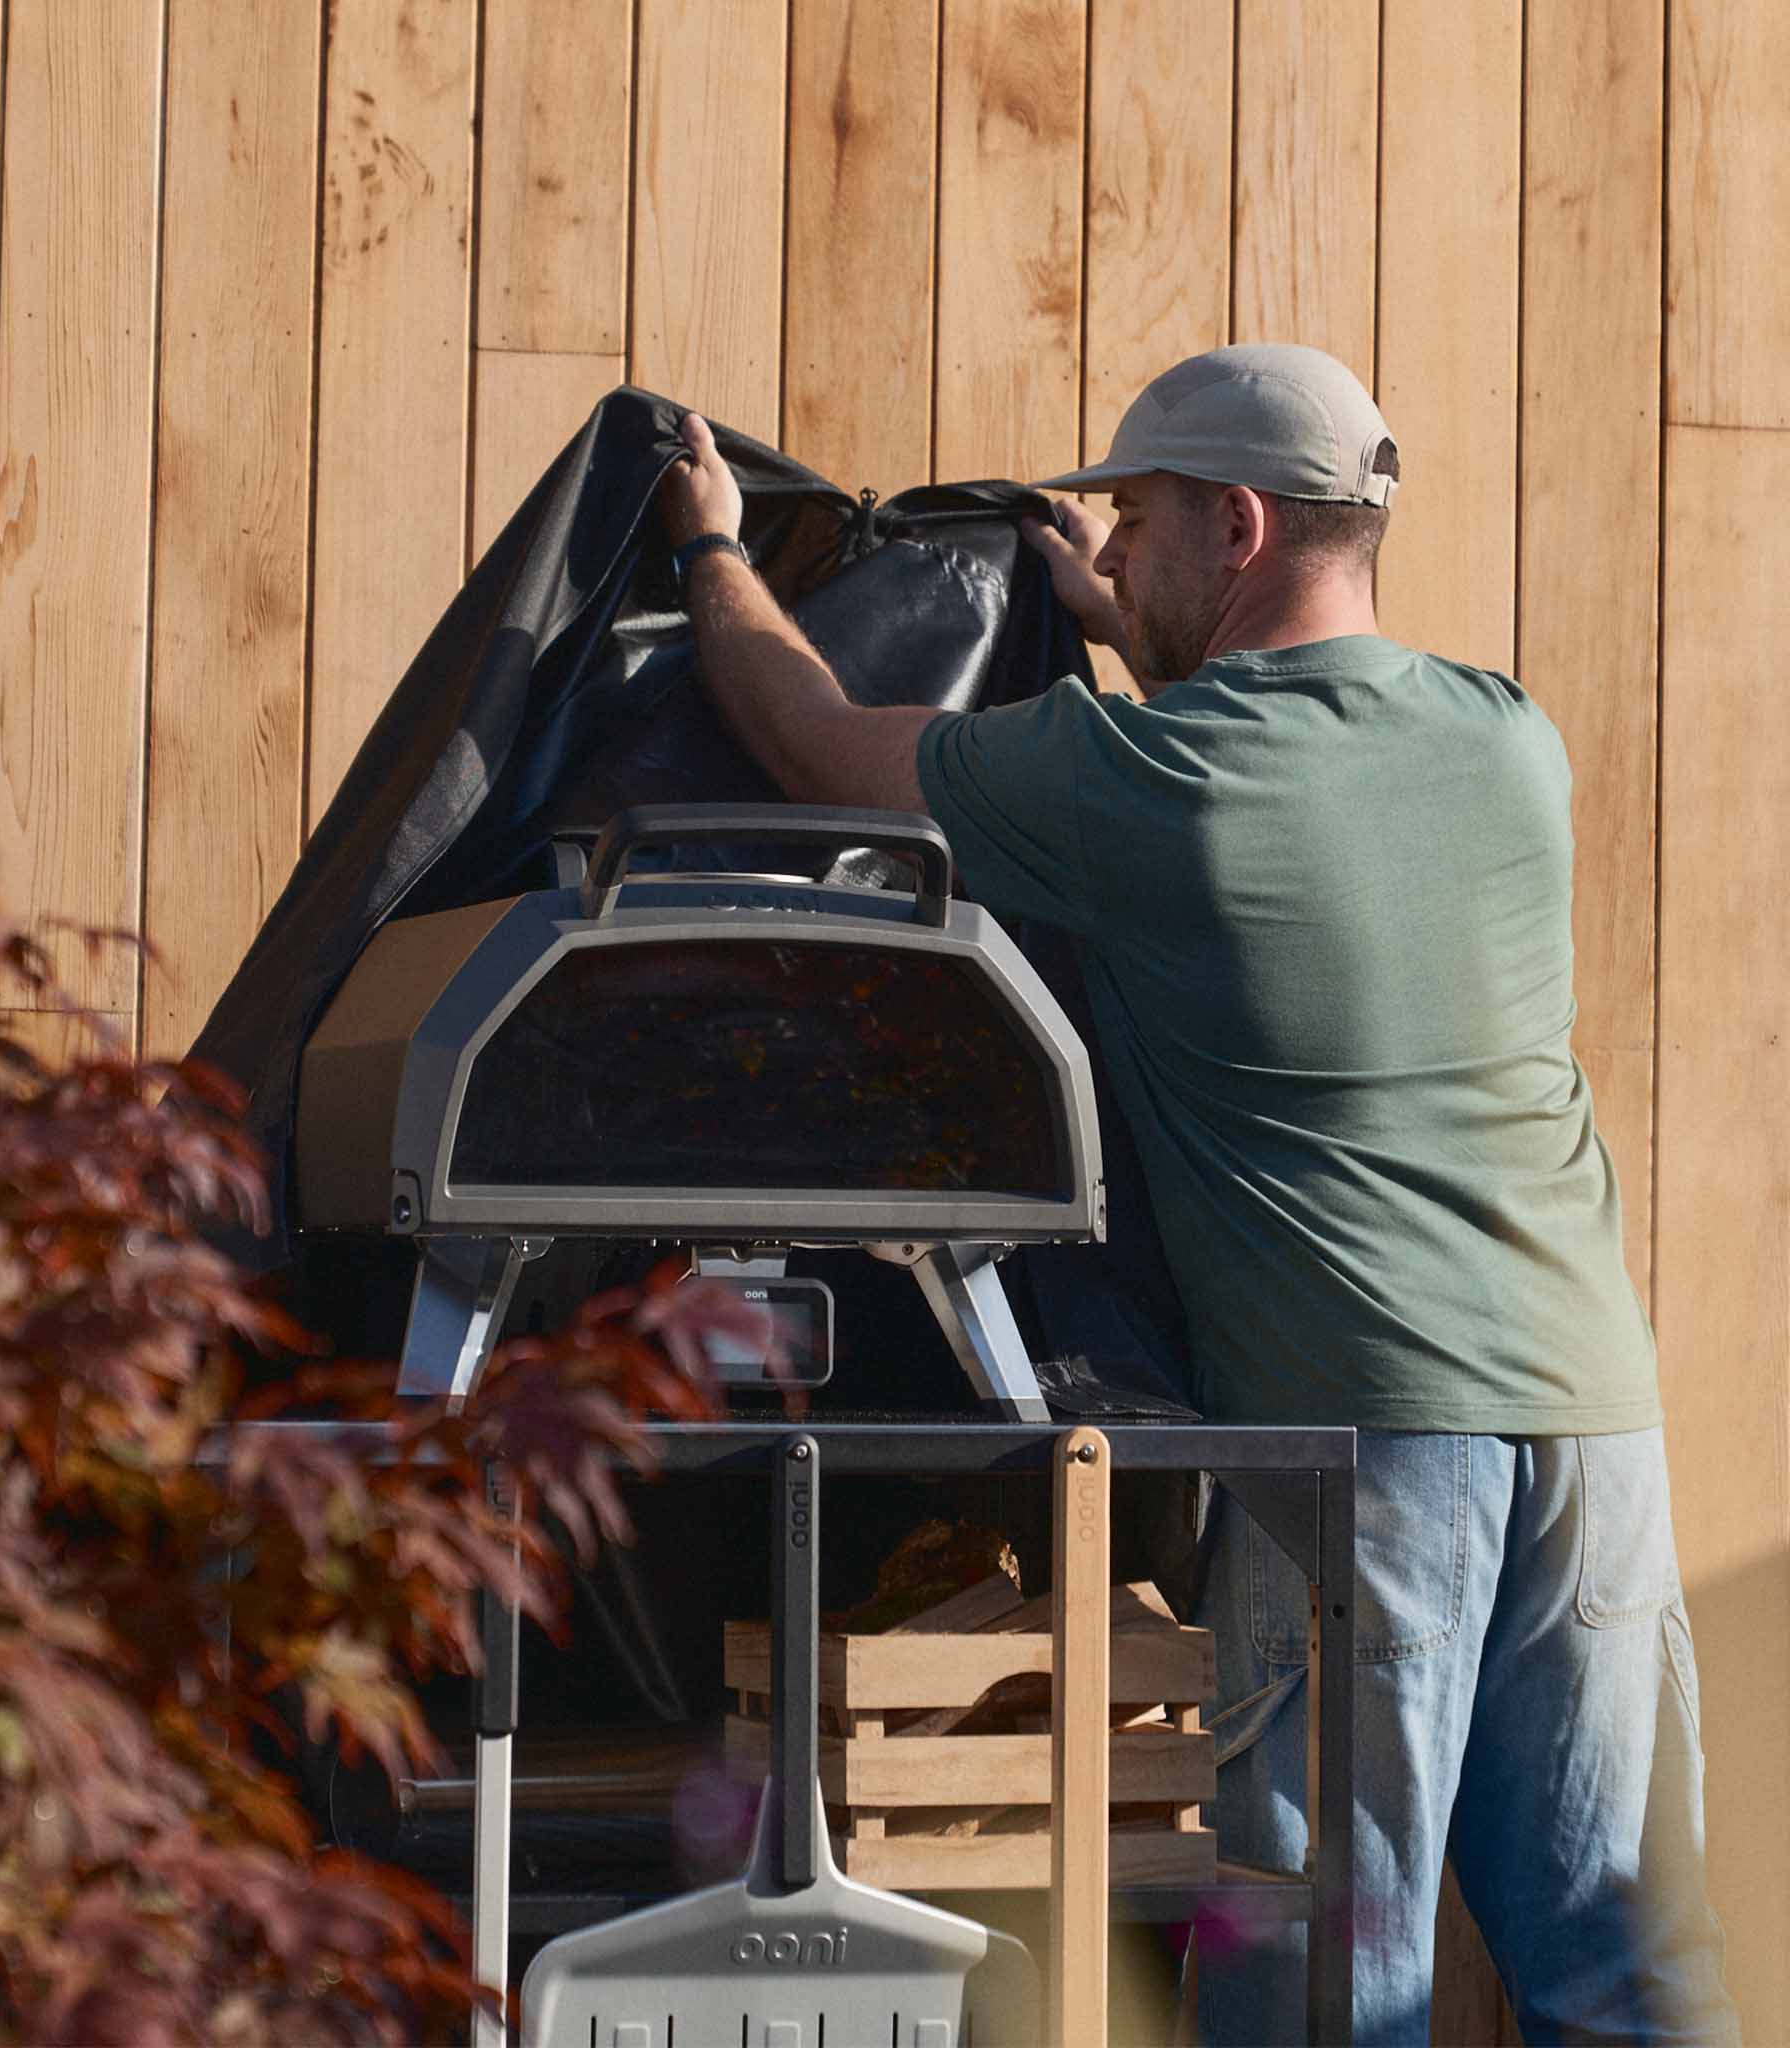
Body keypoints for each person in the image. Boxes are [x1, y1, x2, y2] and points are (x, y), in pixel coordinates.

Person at [657, 343, 1737, 2045]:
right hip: (1596, 1429)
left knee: (1331, 1993)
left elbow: (816, 739)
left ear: (1234, 525)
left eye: (1136, 519)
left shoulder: (1142, 782)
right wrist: (1122, 619)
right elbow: (1291, 784)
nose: (1112, 549)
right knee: (1624, 1976)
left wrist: (714, 551)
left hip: (1372, 1449)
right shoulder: (1504, 740)